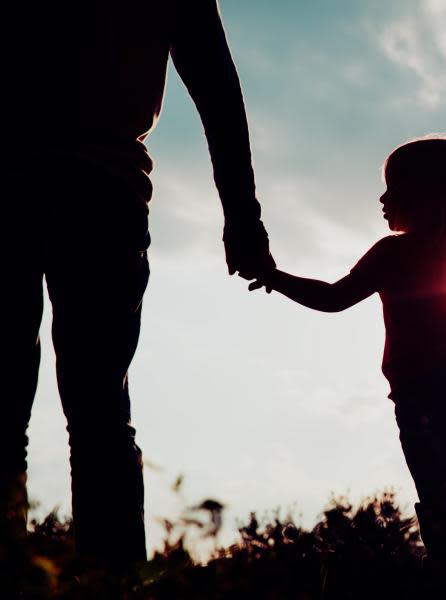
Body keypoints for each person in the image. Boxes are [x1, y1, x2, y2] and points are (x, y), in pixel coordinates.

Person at [1, 1, 273, 567]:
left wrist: (244, 215)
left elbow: (217, 84)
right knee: (99, 411)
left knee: (13, 411)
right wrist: (242, 216)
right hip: (101, 185)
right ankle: (110, 582)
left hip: (35, 179)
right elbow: (217, 86)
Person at [249, 137, 446, 595]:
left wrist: (275, 277)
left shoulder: (395, 253)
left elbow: (334, 297)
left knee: (443, 522)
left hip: (427, 406)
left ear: (425, 193)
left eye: (392, 188)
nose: (383, 199)